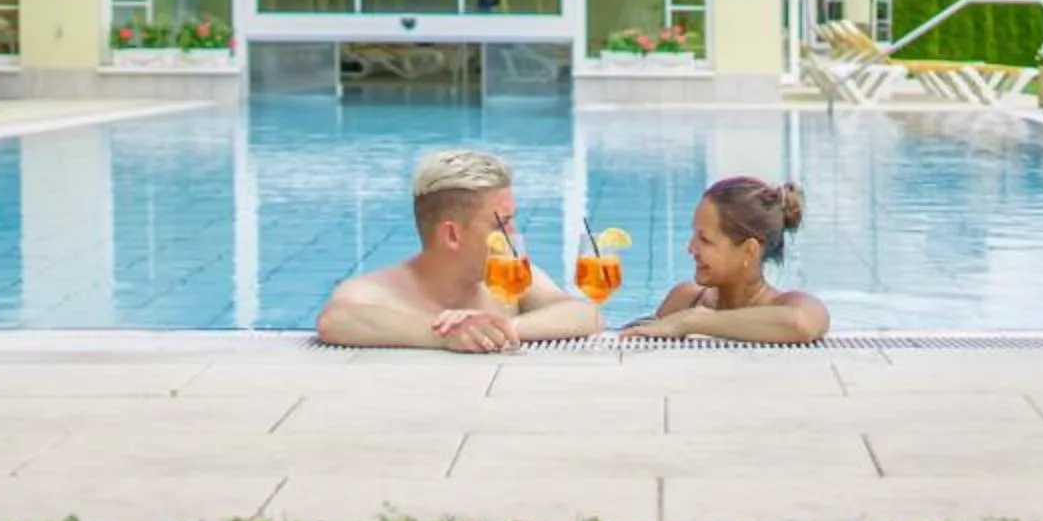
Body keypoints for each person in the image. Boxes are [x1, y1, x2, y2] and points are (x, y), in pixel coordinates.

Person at [316, 148, 602, 352]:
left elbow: (585, 314)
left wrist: (501, 329)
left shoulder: (507, 279)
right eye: (501, 224)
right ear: (452, 235)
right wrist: (443, 335)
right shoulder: (380, 291)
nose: (514, 235)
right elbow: (335, 320)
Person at [622, 177, 830, 344]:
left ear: (749, 251)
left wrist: (694, 322)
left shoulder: (789, 306)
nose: (691, 248)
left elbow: (801, 324)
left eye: (705, 240)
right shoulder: (686, 298)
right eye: (694, 235)